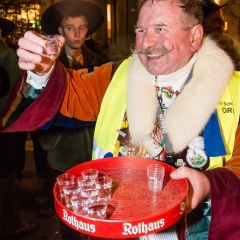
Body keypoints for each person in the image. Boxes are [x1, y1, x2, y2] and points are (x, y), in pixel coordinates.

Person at [2, 0, 240, 239]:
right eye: (140, 30)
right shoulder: (116, 75)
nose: (145, 42)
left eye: (160, 29)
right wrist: (42, 72)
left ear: (195, 36)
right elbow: (68, 95)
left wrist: (210, 184)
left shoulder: (235, 90)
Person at [0, 18, 37, 238]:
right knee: (7, 177)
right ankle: (12, 223)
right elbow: (16, 94)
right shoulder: (6, 56)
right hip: (5, 126)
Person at [202, 0, 240, 70]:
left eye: (222, 18)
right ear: (201, 25)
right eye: (216, 20)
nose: (222, 24)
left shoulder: (227, 44)